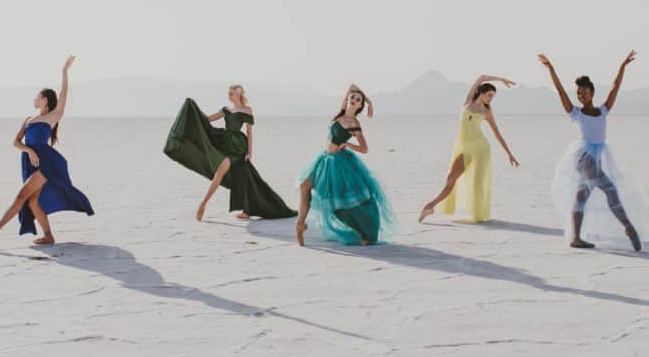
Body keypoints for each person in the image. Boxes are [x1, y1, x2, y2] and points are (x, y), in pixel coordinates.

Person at [0, 56, 94, 248]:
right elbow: (16, 142)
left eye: (37, 96)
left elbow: (64, 94)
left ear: (44, 100)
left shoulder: (53, 116)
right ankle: (48, 236)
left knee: (21, 196)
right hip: (30, 161)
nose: (34, 99)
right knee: (33, 202)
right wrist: (29, 151)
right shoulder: (28, 120)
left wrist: (64, 72)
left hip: (46, 163)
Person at [539, 51, 644, 251]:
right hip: (584, 157)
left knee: (581, 196)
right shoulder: (576, 113)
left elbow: (615, 88)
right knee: (610, 189)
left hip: (598, 154)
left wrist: (623, 65)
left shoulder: (603, 111)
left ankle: (576, 237)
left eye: (584, 92)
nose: (580, 95)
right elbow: (561, 91)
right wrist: (550, 68)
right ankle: (628, 227)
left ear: (592, 92)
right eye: (578, 93)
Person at [163, 85, 296, 221]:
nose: (229, 96)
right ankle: (248, 210)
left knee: (221, 171)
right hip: (225, 142)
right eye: (229, 93)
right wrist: (194, 106)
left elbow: (249, 132)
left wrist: (250, 152)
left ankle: (203, 204)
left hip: (238, 146)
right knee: (246, 177)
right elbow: (207, 119)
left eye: (232, 94)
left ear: (239, 95)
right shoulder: (226, 110)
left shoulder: (247, 110)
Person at [295, 84, 398, 246]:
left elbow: (364, 149)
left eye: (358, 100)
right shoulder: (341, 113)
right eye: (353, 97)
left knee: (342, 204)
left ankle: (366, 231)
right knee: (304, 186)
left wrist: (348, 145)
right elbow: (352, 86)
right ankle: (300, 224)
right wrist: (369, 101)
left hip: (338, 164)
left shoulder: (354, 123)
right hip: (324, 159)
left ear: (359, 106)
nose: (354, 99)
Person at [419, 75, 520, 223]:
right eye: (489, 95)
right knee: (451, 178)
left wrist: (509, 154)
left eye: (493, 96)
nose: (491, 98)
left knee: (477, 184)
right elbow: (481, 77)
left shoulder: (487, 112)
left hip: (481, 150)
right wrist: (502, 79)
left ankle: (478, 216)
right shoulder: (468, 102)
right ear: (481, 93)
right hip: (464, 149)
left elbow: (497, 133)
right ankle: (430, 206)